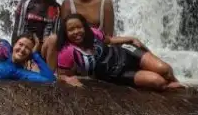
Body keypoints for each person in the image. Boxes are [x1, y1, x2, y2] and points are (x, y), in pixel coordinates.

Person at [54, 13, 182, 90]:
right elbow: (60, 74)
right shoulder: (67, 51)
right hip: (117, 73)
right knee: (158, 82)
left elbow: (109, 40)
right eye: (71, 30)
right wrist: (68, 79)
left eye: (79, 27)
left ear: (84, 27)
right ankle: (167, 84)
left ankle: (176, 82)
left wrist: (131, 38)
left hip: (126, 53)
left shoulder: (93, 33)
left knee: (165, 70)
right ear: (65, 33)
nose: (76, 32)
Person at [12, 0, 62, 68]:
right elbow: (17, 30)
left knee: (54, 38)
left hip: (43, 49)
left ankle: (50, 73)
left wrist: (39, 46)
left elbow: (54, 33)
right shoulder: (26, 3)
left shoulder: (56, 8)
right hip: (25, 46)